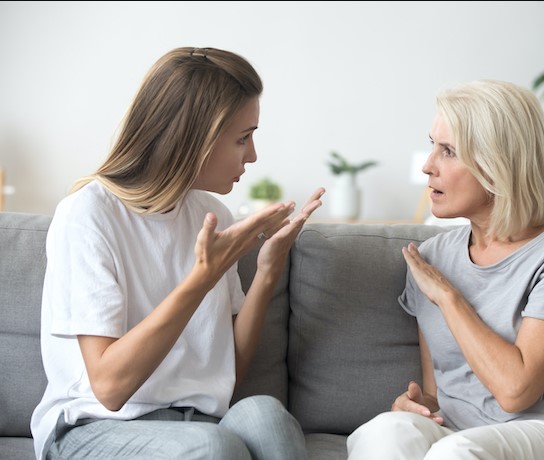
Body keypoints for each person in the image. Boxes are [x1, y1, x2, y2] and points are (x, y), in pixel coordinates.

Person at [30, 46, 324, 460]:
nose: (253, 155)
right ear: (192, 138)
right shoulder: (88, 215)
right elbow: (110, 389)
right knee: (214, 446)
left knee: (267, 417)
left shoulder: (210, 215)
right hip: (94, 427)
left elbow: (226, 374)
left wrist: (267, 270)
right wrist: (200, 280)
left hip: (195, 425)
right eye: (242, 138)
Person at [347, 80, 544, 460]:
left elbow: (516, 390)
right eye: (432, 145)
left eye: (448, 151)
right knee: (384, 432)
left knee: (455, 453)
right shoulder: (432, 257)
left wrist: (448, 297)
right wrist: (418, 406)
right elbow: (440, 392)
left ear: (498, 165)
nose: (428, 166)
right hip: (462, 434)